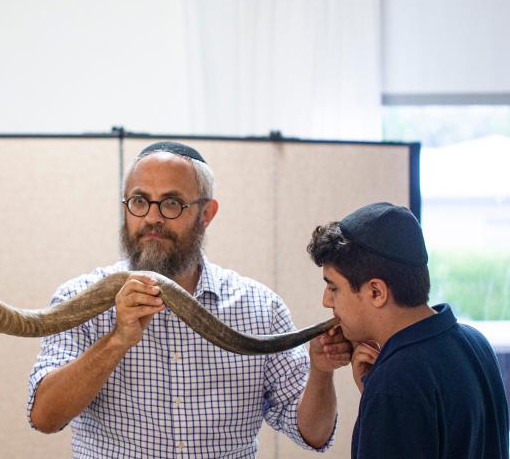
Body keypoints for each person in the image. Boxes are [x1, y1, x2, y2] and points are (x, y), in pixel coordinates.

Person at [27, 141, 351, 458]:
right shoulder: (80, 300)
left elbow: (313, 434)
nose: (152, 218)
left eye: (172, 203)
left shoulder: (260, 308)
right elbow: (45, 417)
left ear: (207, 213)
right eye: (139, 201)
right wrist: (117, 341)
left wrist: (321, 372)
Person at [307, 202, 510, 458]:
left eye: (333, 287)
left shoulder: (395, 384)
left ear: (376, 292)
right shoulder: (476, 343)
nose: (326, 301)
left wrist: (383, 397)